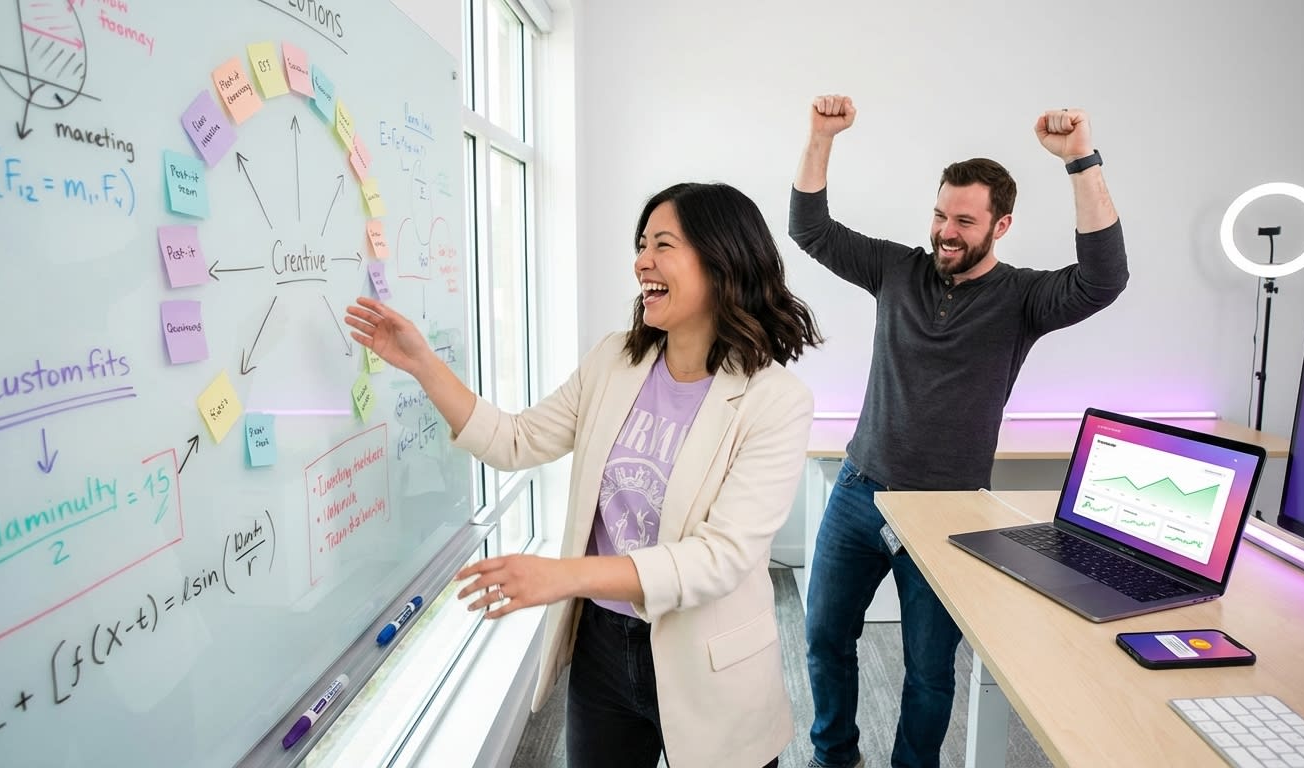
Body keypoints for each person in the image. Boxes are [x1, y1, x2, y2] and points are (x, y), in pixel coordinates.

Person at [345, 181, 823, 768]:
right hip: (603, 649)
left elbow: (719, 557)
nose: (641, 260)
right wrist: (423, 363)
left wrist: (565, 574)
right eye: (641, 243)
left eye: (662, 244)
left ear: (721, 261)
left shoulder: (774, 401)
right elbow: (515, 439)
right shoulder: (614, 361)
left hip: (709, 659)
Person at [790, 95, 1129, 768]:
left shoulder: (1024, 299)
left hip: (950, 512)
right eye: (940, 214)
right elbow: (811, 229)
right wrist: (821, 137)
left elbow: (1104, 278)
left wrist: (1080, 161)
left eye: (964, 220)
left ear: (1000, 225)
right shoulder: (895, 269)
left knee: (928, 671)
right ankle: (834, 756)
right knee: (826, 636)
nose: (946, 230)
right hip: (861, 492)